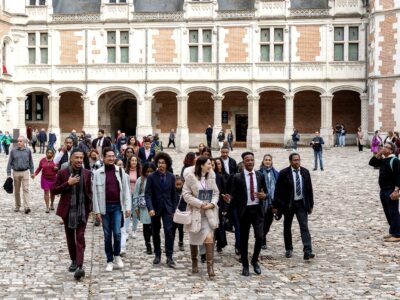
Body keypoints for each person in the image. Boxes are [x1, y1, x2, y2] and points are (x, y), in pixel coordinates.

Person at [52, 148, 92, 280]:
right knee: (70, 238)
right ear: (71, 159)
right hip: (68, 210)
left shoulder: (87, 173)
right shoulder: (63, 173)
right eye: (77, 158)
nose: (79, 160)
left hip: (82, 211)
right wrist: (67, 184)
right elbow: (54, 190)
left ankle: (80, 266)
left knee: (80, 237)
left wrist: (90, 208)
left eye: (81, 158)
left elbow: (89, 192)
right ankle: (74, 260)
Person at [92, 148, 131, 272]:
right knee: (107, 235)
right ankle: (109, 260)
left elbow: (126, 191)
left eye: (113, 156)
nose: (111, 158)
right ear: (103, 157)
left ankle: (117, 255)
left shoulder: (120, 172)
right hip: (104, 208)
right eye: (108, 156)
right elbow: (95, 194)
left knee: (118, 233)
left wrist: (128, 207)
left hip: (117, 207)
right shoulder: (98, 173)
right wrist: (96, 211)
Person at [230, 152, 267, 276]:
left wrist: (264, 196)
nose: (250, 162)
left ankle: (255, 260)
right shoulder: (237, 177)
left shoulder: (260, 175)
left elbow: (265, 193)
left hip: (257, 210)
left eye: (252, 160)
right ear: (243, 162)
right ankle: (245, 265)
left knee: (260, 237)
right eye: (247, 160)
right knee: (244, 239)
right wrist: (229, 200)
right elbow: (234, 196)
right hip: (244, 211)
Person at [183, 156, 219, 278]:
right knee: (194, 240)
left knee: (209, 238)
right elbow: (186, 195)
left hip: (208, 214)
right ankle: (194, 262)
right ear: (202, 165)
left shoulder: (211, 176)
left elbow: (215, 193)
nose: (211, 166)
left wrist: (212, 204)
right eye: (209, 164)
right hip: (195, 213)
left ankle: (210, 268)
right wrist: (200, 203)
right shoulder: (190, 177)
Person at [274, 153, 315, 260]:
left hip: (301, 204)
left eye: (298, 160)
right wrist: (276, 206)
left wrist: (310, 204)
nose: (297, 162)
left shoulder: (305, 172)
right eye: (295, 160)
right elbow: (277, 191)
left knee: (304, 226)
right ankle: (288, 248)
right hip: (288, 204)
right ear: (290, 161)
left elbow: (309, 189)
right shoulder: (284, 173)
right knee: (287, 226)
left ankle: (307, 250)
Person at [145, 152, 177, 268]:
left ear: (167, 164)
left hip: (168, 209)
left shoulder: (171, 176)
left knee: (169, 232)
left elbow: (174, 195)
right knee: (155, 232)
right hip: (155, 208)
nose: (161, 165)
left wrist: (174, 210)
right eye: (159, 162)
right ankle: (157, 254)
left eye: (163, 163)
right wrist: (150, 208)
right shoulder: (151, 177)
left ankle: (169, 256)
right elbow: (147, 194)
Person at [369, 141, 400, 242]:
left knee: (393, 211)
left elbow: (399, 176)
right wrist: (378, 153)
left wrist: (396, 191)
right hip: (383, 190)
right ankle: (393, 231)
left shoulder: (395, 160)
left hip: (391, 190)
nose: (384, 148)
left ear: (391, 150)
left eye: (386, 147)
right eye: (383, 147)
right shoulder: (383, 160)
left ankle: (397, 234)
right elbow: (372, 163)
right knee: (387, 211)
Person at [7, 136, 35, 213]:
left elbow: (31, 162)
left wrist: (32, 172)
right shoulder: (13, 151)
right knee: (17, 191)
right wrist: (8, 174)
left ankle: (26, 207)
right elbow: (9, 162)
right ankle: (17, 206)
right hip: (16, 172)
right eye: (18, 141)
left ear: (24, 142)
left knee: (26, 189)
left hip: (25, 172)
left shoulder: (28, 151)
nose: (19, 142)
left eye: (20, 141)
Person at [133, 162, 156, 255]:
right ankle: (148, 245)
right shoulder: (140, 180)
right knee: (146, 226)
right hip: (144, 207)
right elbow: (136, 194)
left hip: (155, 205)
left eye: (151, 171)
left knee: (155, 227)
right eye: (147, 172)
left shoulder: (156, 179)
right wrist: (135, 207)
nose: (149, 174)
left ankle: (155, 243)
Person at [121, 155, 141, 255]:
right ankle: (127, 230)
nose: (133, 162)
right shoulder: (125, 171)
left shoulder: (139, 171)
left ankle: (134, 230)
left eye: (135, 160)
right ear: (129, 162)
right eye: (132, 160)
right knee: (127, 213)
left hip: (136, 195)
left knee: (136, 213)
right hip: (128, 194)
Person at [259, 154, 279, 250]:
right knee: (262, 222)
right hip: (262, 203)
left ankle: (262, 235)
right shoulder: (258, 173)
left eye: (269, 160)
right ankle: (262, 240)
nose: (267, 161)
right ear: (263, 161)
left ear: (271, 161)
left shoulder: (276, 173)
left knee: (268, 223)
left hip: (272, 202)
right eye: (266, 160)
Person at [173, 175, 186, 251]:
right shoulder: (172, 191)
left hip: (181, 214)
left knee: (181, 229)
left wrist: (183, 211)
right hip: (174, 213)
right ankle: (171, 243)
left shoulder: (184, 192)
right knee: (172, 229)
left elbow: (185, 203)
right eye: (176, 184)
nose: (178, 186)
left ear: (183, 183)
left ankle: (181, 242)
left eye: (179, 184)